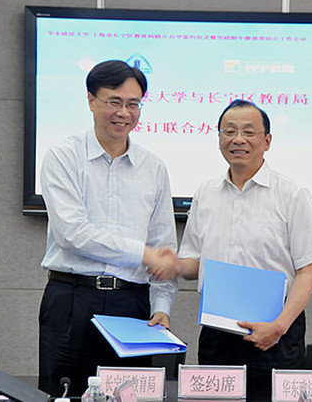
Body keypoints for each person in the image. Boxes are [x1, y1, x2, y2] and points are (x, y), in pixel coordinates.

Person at [38, 60, 180, 396]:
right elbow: (72, 234)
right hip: (72, 300)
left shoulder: (153, 168)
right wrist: (142, 253)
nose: (124, 113)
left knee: (129, 396)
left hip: (132, 306)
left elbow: (164, 248)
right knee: (66, 394)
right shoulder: (63, 157)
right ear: (91, 100)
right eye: (114, 102)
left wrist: (162, 307)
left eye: (133, 104)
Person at [178, 99, 312, 401]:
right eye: (229, 131)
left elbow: (308, 272)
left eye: (249, 132)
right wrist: (168, 264)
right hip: (217, 332)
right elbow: (193, 263)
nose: (238, 139)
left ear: (267, 141)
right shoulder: (205, 193)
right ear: (219, 139)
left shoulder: (292, 194)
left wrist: (279, 327)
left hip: (275, 331)